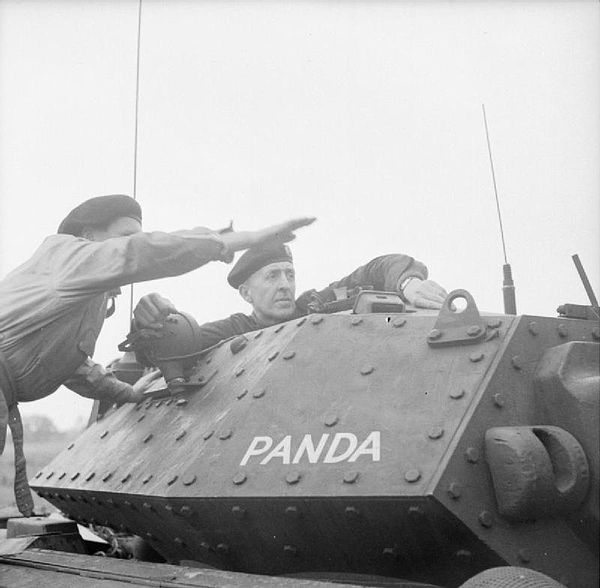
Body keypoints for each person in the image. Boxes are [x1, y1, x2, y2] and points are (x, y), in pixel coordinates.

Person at [0, 194, 314, 515]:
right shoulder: (67, 255)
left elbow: (73, 367)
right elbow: (144, 252)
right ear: (87, 236)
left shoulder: (82, 295)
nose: (129, 245)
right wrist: (242, 239)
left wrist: (126, 393)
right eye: (123, 236)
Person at [133, 241, 448, 353]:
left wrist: (408, 282)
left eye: (290, 274)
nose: (285, 285)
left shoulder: (315, 306)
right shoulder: (231, 331)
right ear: (245, 293)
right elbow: (178, 345)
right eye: (272, 276)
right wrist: (153, 320)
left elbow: (376, 270)